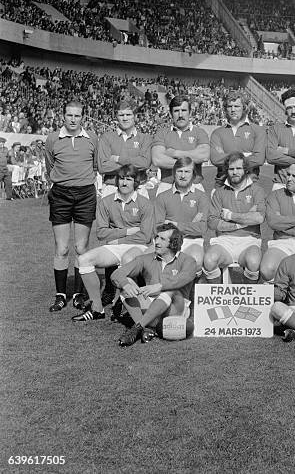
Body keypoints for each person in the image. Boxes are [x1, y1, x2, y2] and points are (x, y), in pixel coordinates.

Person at [72, 164, 154, 322]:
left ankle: (125, 305)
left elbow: (145, 236)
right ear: (117, 181)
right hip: (114, 246)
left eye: (129, 179)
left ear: (135, 182)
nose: (124, 183)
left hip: (138, 247)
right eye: (122, 179)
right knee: (83, 260)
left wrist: (116, 237)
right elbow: (101, 233)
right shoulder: (106, 202)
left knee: (128, 259)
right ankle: (97, 309)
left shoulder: (145, 203)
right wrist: (126, 232)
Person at [44, 100, 98, 313]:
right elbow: (50, 165)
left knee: (81, 248)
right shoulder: (52, 139)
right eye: (69, 115)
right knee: (62, 248)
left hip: (85, 194)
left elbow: (95, 165)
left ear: (82, 117)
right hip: (61, 195)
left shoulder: (92, 138)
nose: (73, 119)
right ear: (63, 116)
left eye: (77, 116)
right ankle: (60, 295)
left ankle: (77, 294)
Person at [112, 224, 197, 347]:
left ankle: (138, 328)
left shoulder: (188, 260)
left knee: (170, 290)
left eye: (162, 239)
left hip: (176, 310)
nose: (156, 242)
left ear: (173, 243)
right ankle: (142, 328)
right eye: (156, 237)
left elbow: (184, 278)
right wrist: (125, 284)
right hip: (151, 308)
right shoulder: (145, 259)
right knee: (125, 285)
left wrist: (160, 286)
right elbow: (117, 274)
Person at [203, 152, 265, 284]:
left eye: (238, 168)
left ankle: (248, 299)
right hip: (224, 241)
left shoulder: (257, 190)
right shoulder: (219, 192)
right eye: (231, 169)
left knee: (254, 261)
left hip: (250, 240)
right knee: (209, 260)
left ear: (246, 170)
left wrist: (229, 215)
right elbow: (212, 222)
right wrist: (241, 222)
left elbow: (259, 218)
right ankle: (218, 298)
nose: (234, 172)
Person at [154, 157, 209, 269]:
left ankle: (193, 286)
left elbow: (202, 228)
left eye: (187, 172)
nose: (183, 176)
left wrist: (175, 225)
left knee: (196, 259)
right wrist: (190, 226)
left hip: (192, 241)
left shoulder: (202, 197)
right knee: (147, 259)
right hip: (167, 241)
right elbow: (158, 227)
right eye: (179, 171)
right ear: (174, 173)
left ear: (193, 175)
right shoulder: (162, 197)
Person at [152, 95, 210, 194]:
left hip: (194, 185)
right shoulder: (161, 133)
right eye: (176, 111)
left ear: (190, 112)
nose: (180, 115)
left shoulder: (200, 132)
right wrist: (189, 163)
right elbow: (157, 159)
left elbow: (204, 155)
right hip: (167, 186)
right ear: (170, 114)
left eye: (183, 110)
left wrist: (174, 153)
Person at [97, 100, 152, 198]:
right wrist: (134, 165)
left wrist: (118, 159)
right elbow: (103, 166)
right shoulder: (106, 137)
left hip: (138, 188)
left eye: (128, 114)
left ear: (135, 116)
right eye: (121, 115)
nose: (125, 118)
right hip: (112, 188)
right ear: (116, 117)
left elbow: (144, 163)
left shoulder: (145, 138)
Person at [209, 92, 265, 185]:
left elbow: (259, 159)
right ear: (225, 109)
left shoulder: (258, 130)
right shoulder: (217, 133)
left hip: (250, 185)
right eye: (229, 106)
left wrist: (228, 158)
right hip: (222, 185)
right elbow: (216, 159)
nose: (233, 110)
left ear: (244, 107)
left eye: (237, 106)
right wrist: (246, 155)